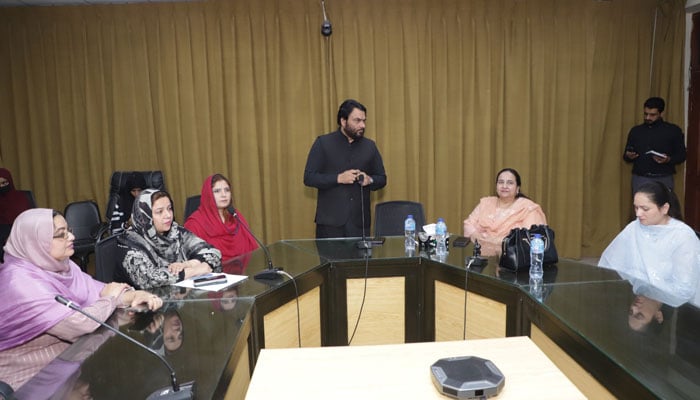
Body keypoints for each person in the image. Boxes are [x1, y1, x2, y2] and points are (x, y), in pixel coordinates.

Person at [0, 209, 163, 390]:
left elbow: (99, 290)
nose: (71, 236)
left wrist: (134, 295)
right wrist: (111, 297)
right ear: (35, 242)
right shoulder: (21, 283)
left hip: (68, 363)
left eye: (68, 230)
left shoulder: (61, 265)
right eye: (61, 235)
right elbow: (80, 323)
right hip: (29, 381)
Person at [599, 181, 700, 306]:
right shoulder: (634, 227)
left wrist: (649, 292)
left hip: (671, 304)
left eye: (645, 209)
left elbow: (683, 289)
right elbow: (610, 265)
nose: (638, 214)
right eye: (636, 207)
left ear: (664, 209)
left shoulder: (683, 236)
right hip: (637, 298)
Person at [304, 99, 387, 238]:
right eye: (357, 120)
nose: (362, 125)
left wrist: (369, 180)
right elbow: (309, 177)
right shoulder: (323, 143)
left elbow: (382, 179)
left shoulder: (370, 146)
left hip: (359, 225)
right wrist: (338, 178)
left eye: (364, 120)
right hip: (330, 224)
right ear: (343, 121)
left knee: (359, 261)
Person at [117, 188, 222, 289]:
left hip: (176, 299)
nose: (168, 215)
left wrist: (187, 264)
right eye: (159, 211)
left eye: (169, 208)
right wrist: (194, 271)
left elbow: (213, 253)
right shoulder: (130, 241)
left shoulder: (175, 232)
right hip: (142, 304)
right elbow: (148, 279)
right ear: (145, 217)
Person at [462, 168, 548, 256]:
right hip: (481, 257)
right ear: (496, 186)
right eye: (501, 182)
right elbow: (468, 224)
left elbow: (526, 238)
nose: (504, 186)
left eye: (510, 183)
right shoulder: (486, 203)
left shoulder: (528, 208)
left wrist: (492, 240)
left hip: (512, 259)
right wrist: (479, 237)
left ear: (517, 188)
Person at [184, 174, 258, 260]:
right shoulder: (195, 223)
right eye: (217, 191)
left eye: (227, 190)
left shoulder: (235, 216)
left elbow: (252, 249)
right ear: (208, 194)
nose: (224, 194)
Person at [623, 97, 686, 193]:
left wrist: (668, 159)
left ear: (661, 113)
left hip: (663, 178)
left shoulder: (673, 130)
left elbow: (682, 156)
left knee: (663, 207)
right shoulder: (636, 131)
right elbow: (626, 156)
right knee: (640, 207)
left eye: (652, 115)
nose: (647, 117)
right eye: (645, 114)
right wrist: (629, 155)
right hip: (640, 178)